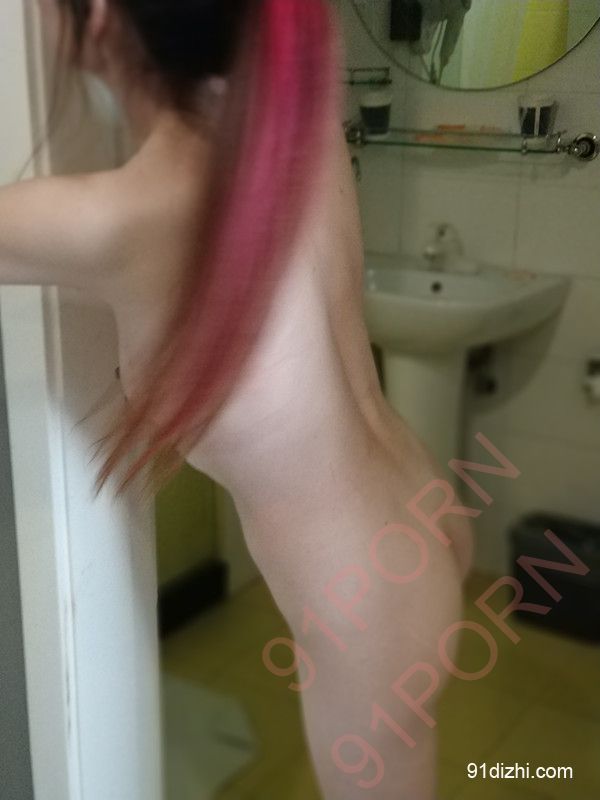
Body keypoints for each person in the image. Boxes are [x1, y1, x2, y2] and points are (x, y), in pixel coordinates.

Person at [1, 1, 473, 796]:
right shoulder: (293, 125)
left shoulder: (123, 218)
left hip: (366, 603)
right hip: (413, 513)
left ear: (101, 18)